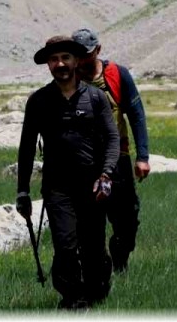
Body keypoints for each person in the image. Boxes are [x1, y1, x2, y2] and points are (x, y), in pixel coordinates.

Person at [16, 36, 120, 309]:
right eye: (54, 59)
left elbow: (112, 138)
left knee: (93, 246)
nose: (60, 64)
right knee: (65, 245)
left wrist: (106, 174)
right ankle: (72, 298)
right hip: (56, 187)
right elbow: (26, 148)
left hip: (93, 185)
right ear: (48, 64)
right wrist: (22, 191)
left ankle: (97, 286)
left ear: (76, 61)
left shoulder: (95, 97)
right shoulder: (38, 101)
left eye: (65, 58)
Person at [72, 28, 150, 273]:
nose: (81, 60)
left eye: (86, 54)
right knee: (87, 222)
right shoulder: (67, 78)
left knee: (127, 220)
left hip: (118, 159)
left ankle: (119, 259)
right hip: (83, 164)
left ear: (98, 50)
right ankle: (96, 269)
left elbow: (136, 115)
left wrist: (143, 157)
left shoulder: (117, 74)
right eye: (77, 54)